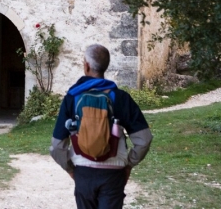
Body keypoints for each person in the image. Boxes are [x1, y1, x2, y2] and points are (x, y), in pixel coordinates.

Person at [50, 44, 153, 209]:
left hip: (83, 171)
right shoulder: (121, 98)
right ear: (106, 66)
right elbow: (144, 139)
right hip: (113, 174)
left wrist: (70, 169)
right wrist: (128, 164)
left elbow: (57, 146)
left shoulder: (72, 97)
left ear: (87, 66)